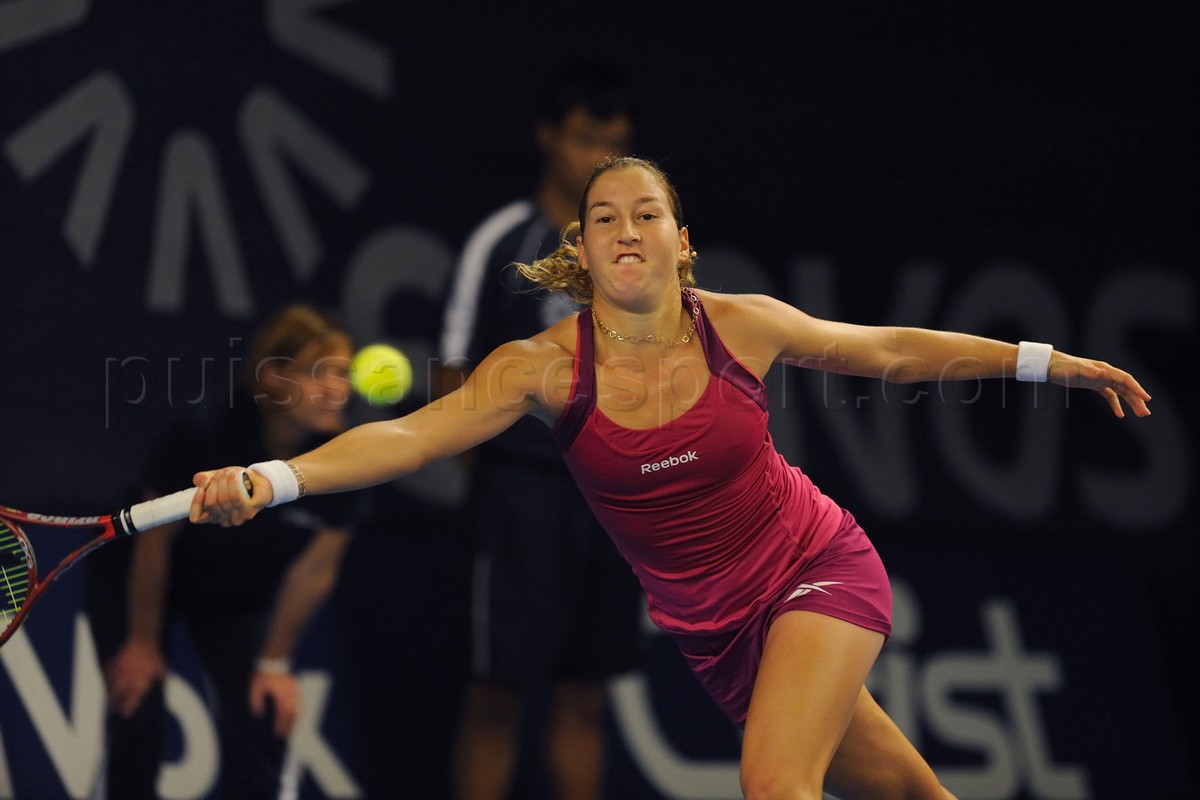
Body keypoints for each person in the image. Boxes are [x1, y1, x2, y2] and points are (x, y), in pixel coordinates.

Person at [190, 157, 1152, 799]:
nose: (627, 228)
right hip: (719, 636)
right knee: (907, 792)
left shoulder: (742, 324)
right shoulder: (540, 368)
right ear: (582, 250)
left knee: (773, 784)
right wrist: (272, 477)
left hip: (815, 568)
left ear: (680, 242)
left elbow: (891, 350)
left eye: (647, 214)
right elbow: (407, 439)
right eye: (604, 217)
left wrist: (1045, 362)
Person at [439, 57, 643, 800]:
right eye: (586, 138)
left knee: (586, 695)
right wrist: (499, 469)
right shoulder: (502, 241)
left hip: (611, 500)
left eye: (614, 143)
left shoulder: (636, 255)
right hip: (519, 497)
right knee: (497, 693)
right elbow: (452, 373)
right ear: (548, 137)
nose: (600, 157)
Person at [88, 304, 361, 800]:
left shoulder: (348, 456)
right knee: (137, 704)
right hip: (146, 580)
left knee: (263, 711)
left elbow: (316, 569)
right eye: (318, 373)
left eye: (343, 373)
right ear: (274, 377)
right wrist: (143, 642)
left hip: (232, 595)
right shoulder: (203, 431)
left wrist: (274, 662)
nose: (335, 390)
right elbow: (154, 543)